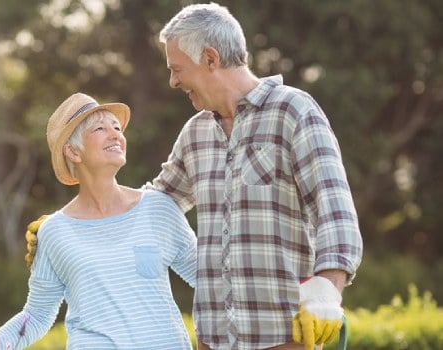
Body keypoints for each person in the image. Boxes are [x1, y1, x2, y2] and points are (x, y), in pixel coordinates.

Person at [150, 3, 364, 350]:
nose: (173, 81)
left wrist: (327, 289)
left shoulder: (293, 111)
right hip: (213, 339)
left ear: (209, 58)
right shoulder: (195, 133)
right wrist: (72, 222)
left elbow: (335, 212)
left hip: (285, 337)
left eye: (177, 69)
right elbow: (157, 204)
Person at [0, 92, 198, 349]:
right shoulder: (54, 232)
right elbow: (35, 316)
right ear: (73, 152)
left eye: (117, 127)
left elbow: (210, 279)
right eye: (100, 128)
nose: (115, 135)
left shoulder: (158, 208)